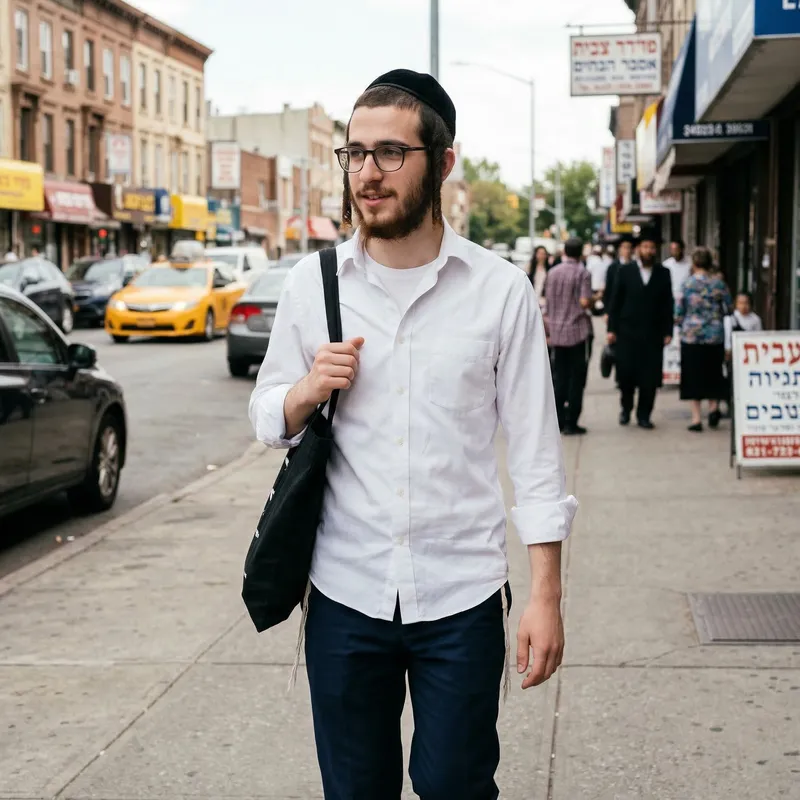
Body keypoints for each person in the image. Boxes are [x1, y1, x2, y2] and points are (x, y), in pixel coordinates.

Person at [249, 68, 577, 800]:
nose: (368, 172)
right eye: (355, 153)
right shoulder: (314, 284)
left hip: (461, 595)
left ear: (444, 162)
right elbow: (267, 417)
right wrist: (306, 391)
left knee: (458, 785)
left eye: (392, 153)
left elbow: (536, 456)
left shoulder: (499, 291)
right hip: (344, 591)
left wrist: (546, 596)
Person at [606, 231, 674, 429]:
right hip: (627, 332)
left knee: (649, 378)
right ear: (638, 250)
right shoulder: (625, 271)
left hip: (653, 333)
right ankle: (626, 409)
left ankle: (644, 415)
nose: (648, 251)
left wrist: (668, 330)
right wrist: (611, 329)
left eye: (652, 248)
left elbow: (667, 304)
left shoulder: (663, 273)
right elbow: (615, 302)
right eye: (645, 247)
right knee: (626, 375)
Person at [674, 247, 733, 431]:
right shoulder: (719, 284)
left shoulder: (687, 284)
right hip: (714, 335)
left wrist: (681, 324)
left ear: (694, 263)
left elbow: (678, 311)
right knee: (713, 372)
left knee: (693, 375)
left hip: (692, 336)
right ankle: (714, 408)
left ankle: (696, 418)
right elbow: (729, 307)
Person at [545, 237, 593, 435]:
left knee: (559, 377)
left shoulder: (552, 272)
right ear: (581, 253)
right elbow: (584, 302)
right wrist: (594, 299)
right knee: (576, 378)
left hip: (556, 332)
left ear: (564, 251)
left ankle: (558, 421)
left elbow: (547, 301)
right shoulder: (582, 273)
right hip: (576, 332)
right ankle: (572, 422)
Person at [603, 236, 634, 316]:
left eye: (629, 248)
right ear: (619, 249)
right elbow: (608, 290)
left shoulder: (636, 266)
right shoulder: (613, 267)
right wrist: (606, 311)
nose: (627, 251)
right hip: (616, 308)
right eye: (624, 248)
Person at [528, 245, 550, 309]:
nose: (541, 255)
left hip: (543, 299)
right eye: (539, 253)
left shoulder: (549, 269)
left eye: (543, 253)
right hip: (532, 297)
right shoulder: (530, 267)